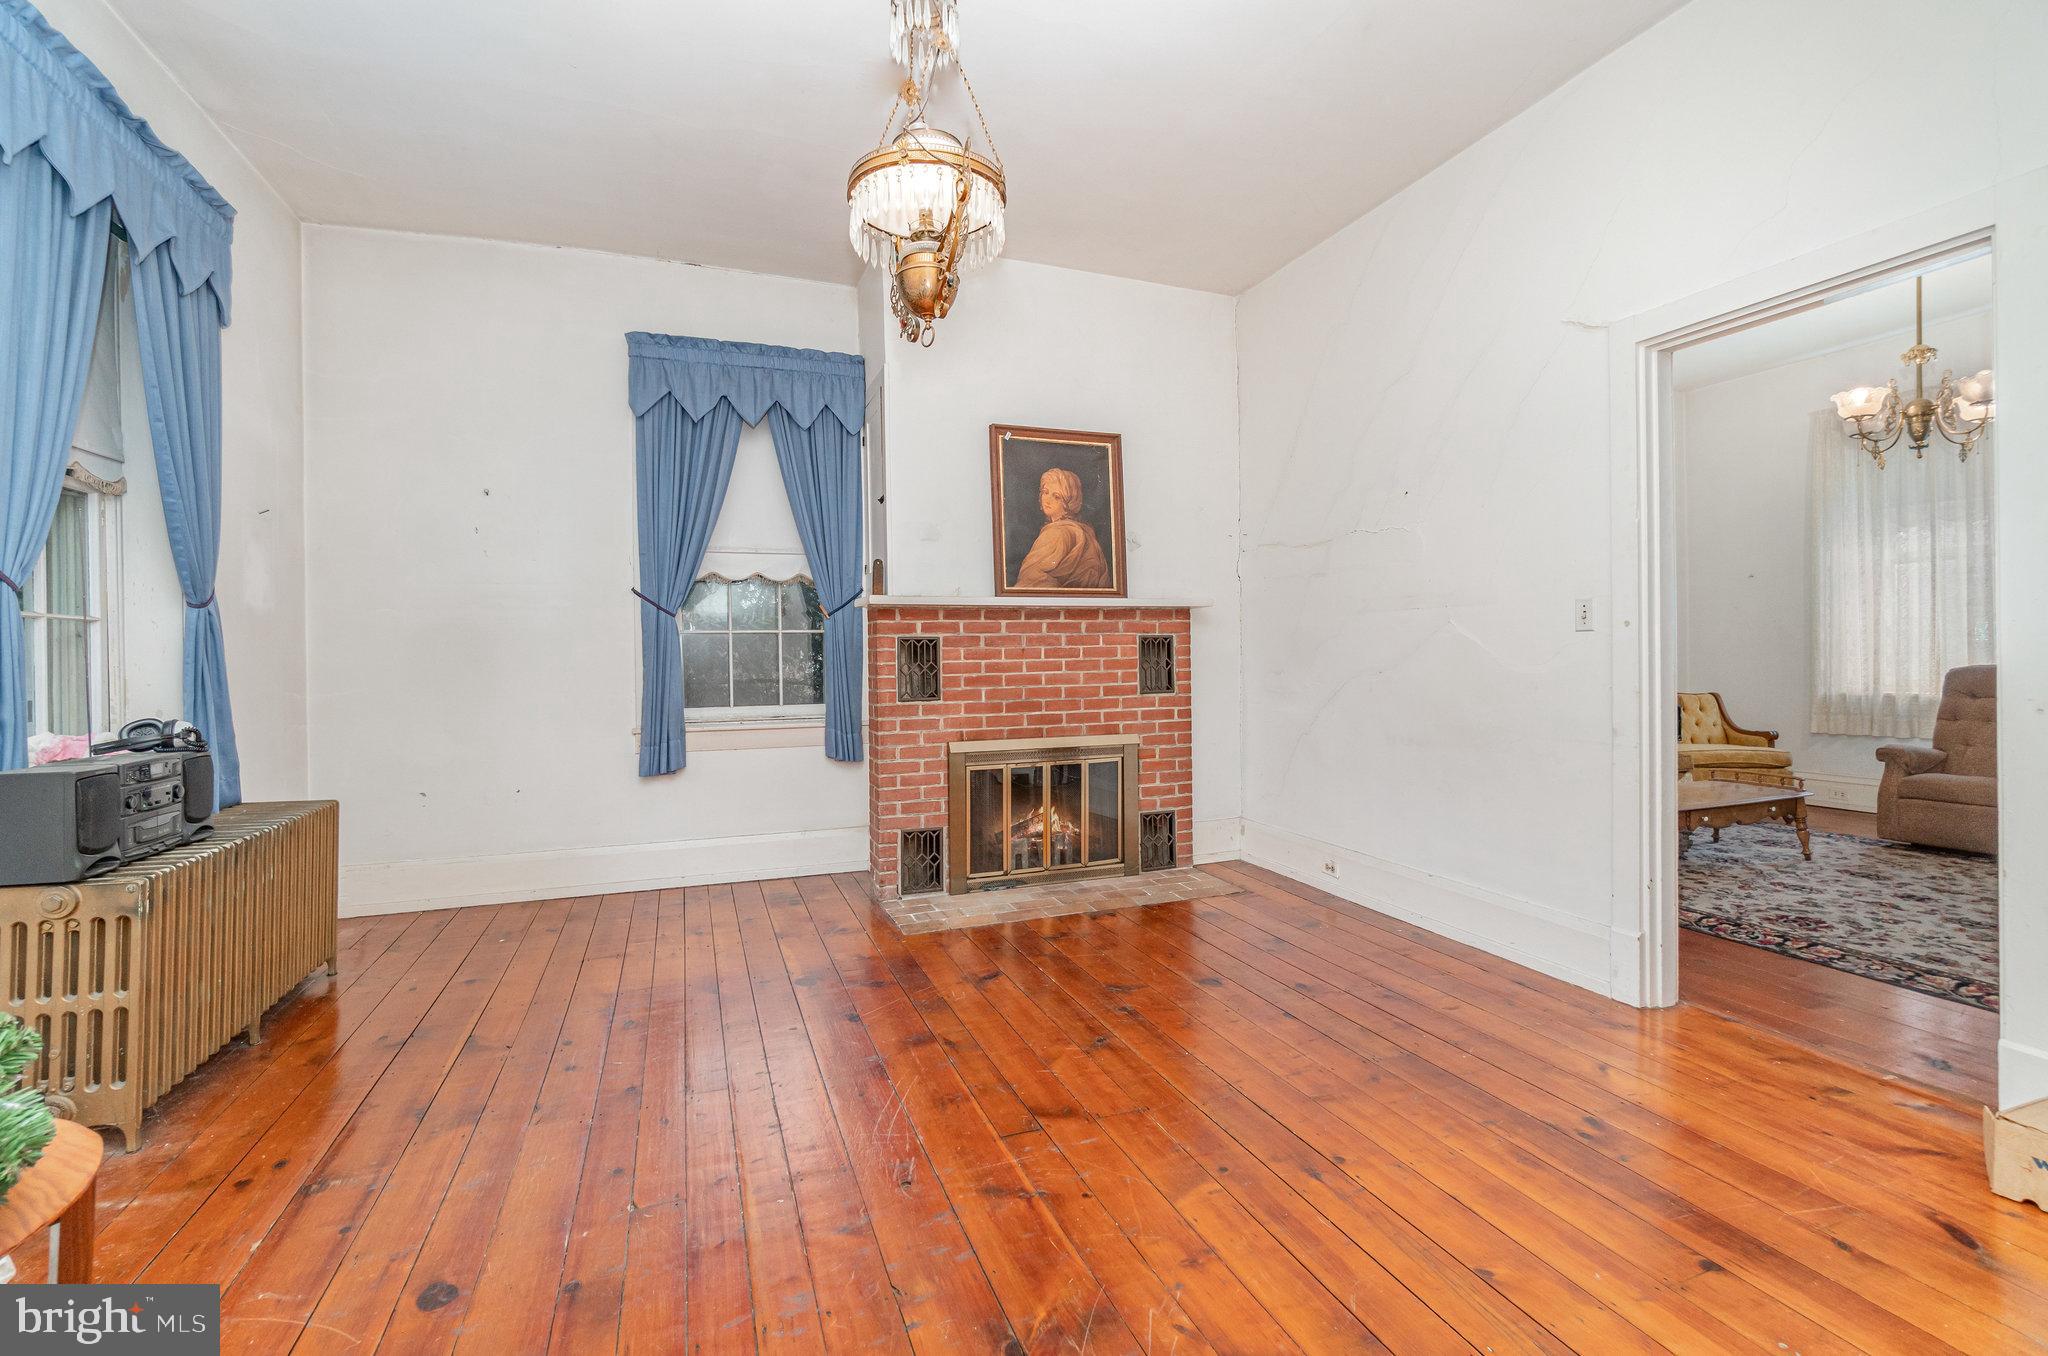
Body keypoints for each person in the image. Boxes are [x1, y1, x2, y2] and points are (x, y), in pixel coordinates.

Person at [1013, 467, 1111, 590]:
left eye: (1057, 496)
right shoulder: (1081, 530)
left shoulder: (1057, 532)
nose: (1047, 500)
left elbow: (1030, 582)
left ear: (1069, 502)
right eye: (1045, 492)